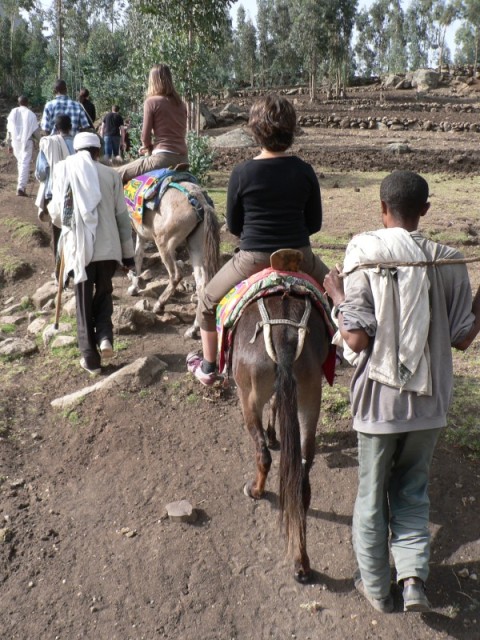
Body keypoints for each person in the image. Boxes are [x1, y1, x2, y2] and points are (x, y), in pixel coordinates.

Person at [323, 170, 480, 614]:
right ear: (425, 211)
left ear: (381, 208)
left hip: (379, 403)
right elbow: (464, 337)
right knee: (413, 489)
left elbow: (354, 339)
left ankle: (375, 587)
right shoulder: (447, 260)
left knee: (372, 496)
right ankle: (412, 581)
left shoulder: (363, 253)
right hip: (430, 405)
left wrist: (337, 293)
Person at [186, 94, 330, 386]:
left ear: (255, 131)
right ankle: (342, 352)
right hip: (299, 256)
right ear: (291, 131)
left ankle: (210, 365)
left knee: (207, 301)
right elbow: (314, 224)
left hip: (252, 259)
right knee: (343, 297)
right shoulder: (304, 171)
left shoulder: (242, 172)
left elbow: (235, 225)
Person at [50, 132, 135, 375]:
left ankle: (90, 358)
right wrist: (128, 255)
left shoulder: (64, 171)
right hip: (109, 250)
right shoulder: (111, 175)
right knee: (104, 294)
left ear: (77, 151)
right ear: (98, 152)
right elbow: (122, 218)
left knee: (83, 303)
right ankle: (105, 337)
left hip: (80, 250)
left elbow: (58, 215)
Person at [116, 64, 188, 184]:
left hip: (162, 159)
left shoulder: (152, 102)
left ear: (152, 81)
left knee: (117, 173)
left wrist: (147, 147)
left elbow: (145, 137)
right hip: (183, 159)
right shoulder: (181, 104)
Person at [35, 114, 75, 268]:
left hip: (55, 194)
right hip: (76, 192)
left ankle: (59, 271)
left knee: (57, 231)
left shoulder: (48, 143)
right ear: (70, 127)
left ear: (56, 128)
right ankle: (74, 266)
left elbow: (42, 172)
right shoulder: (78, 143)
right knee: (74, 230)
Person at [6, 95, 41, 196]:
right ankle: (21, 187)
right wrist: (41, 140)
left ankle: (20, 186)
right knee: (25, 163)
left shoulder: (13, 112)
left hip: (15, 141)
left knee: (20, 163)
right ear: (27, 103)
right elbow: (35, 131)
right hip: (27, 141)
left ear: (19, 103)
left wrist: (9, 144)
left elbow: (9, 129)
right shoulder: (31, 114)